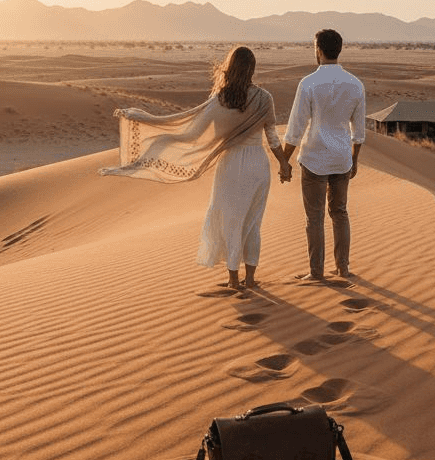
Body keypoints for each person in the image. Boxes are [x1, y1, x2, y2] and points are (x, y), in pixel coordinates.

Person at [100, 46, 289, 290]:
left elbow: (191, 134)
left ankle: (233, 280)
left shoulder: (220, 99)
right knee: (252, 222)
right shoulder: (265, 98)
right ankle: (250, 279)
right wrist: (284, 163)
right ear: (252, 69)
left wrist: (156, 130)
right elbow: (273, 137)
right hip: (257, 163)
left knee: (230, 221)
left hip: (232, 164)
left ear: (229, 67)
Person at [280, 29, 366, 280]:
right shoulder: (355, 84)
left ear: (318, 50)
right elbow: (358, 131)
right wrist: (354, 159)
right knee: (340, 213)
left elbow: (295, 127)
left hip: (314, 157)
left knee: (314, 218)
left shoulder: (308, 83)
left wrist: (284, 160)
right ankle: (343, 267)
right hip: (341, 157)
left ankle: (316, 272)